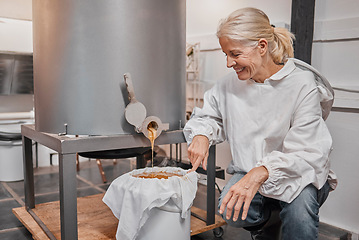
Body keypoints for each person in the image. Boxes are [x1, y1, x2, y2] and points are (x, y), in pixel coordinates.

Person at [183, 7, 337, 240]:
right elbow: (208, 115)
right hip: (249, 168)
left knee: (299, 217)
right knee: (229, 208)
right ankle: (271, 221)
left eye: (235, 54)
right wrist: (202, 135)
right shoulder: (228, 85)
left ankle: (287, 218)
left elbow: (306, 151)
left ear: (262, 46)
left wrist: (262, 171)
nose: (228, 63)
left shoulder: (301, 84)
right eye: (226, 54)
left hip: (297, 171)